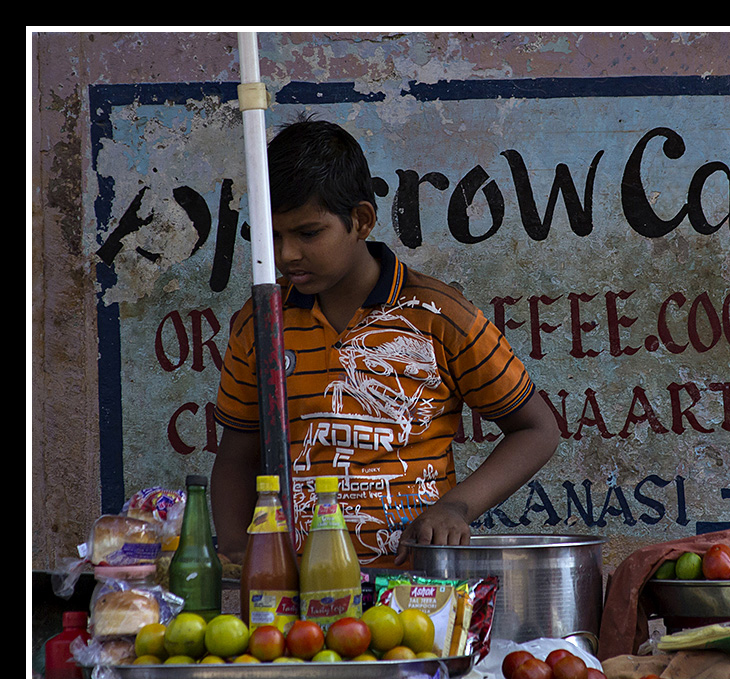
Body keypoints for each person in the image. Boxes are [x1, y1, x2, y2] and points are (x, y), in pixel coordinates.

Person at [210, 115, 559, 571]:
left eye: (308, 233)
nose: (287, 254)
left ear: (361, 220)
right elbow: (237, 455)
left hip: (415, 588)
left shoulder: (438, 315)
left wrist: (457, 507)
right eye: (272, 236)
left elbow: (538, 430)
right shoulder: (259, 325)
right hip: (295, 590)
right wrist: (240, 555)